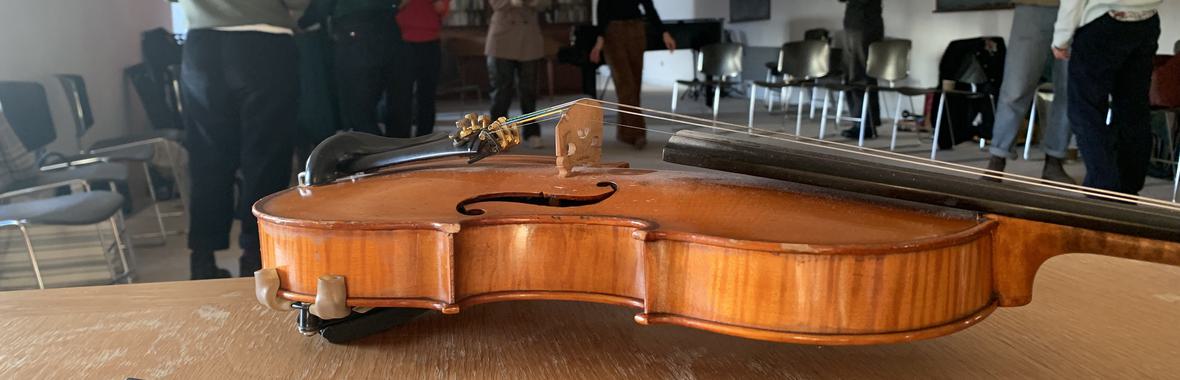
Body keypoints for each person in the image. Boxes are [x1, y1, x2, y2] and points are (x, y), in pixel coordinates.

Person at [178, 0, 306, 279]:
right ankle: (255, 256)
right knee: (266, 156)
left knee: (207, 156)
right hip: (264, 43)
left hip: (203, 46)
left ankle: (203, 258)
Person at [1054, 0, 1161, 194]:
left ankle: (1103, 188)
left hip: (1105, 20)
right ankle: (1128, 188)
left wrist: (1061, 38)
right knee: (1133, 110)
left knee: (1085, 110)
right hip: (1147, 18)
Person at [987, 0, 1075, 184]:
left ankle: (1054, 161)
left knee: (1070, 91)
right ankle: (997, 159)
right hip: (1032, 6)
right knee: (1016, 86)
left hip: (1078, 9)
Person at [590, 0, 676, 150]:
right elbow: (602, 9)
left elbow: (649, 8)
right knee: (625, 86)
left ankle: (625, 133)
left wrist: (664, 33)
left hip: (637, 31)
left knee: (634, 86)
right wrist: (599, 40)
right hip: (613, 33)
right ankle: (638, 133)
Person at [487, 0, 551, 149]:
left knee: (529, 91)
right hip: (502, 36)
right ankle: (498, 135)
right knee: (501, 91)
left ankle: (532, 132)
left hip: (529, 37)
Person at [332, 0, 400, 136]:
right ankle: (387, 148)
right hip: (387, 32)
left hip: (357, 34)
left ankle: (379, 150)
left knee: (359, 110)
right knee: (387, 103)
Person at [390, 0, 449, 138]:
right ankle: (399, 138)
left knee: (427, 95)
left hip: (430, 41)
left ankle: (424, 138)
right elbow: (392, 8)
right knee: (401, 95)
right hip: (402, 40)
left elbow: (442, 9)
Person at [838, 0, 883, 140]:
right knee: (851, 76)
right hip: (853, 23)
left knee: (861, 76)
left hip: (864, 23)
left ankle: (865, 125)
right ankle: (860, 122)